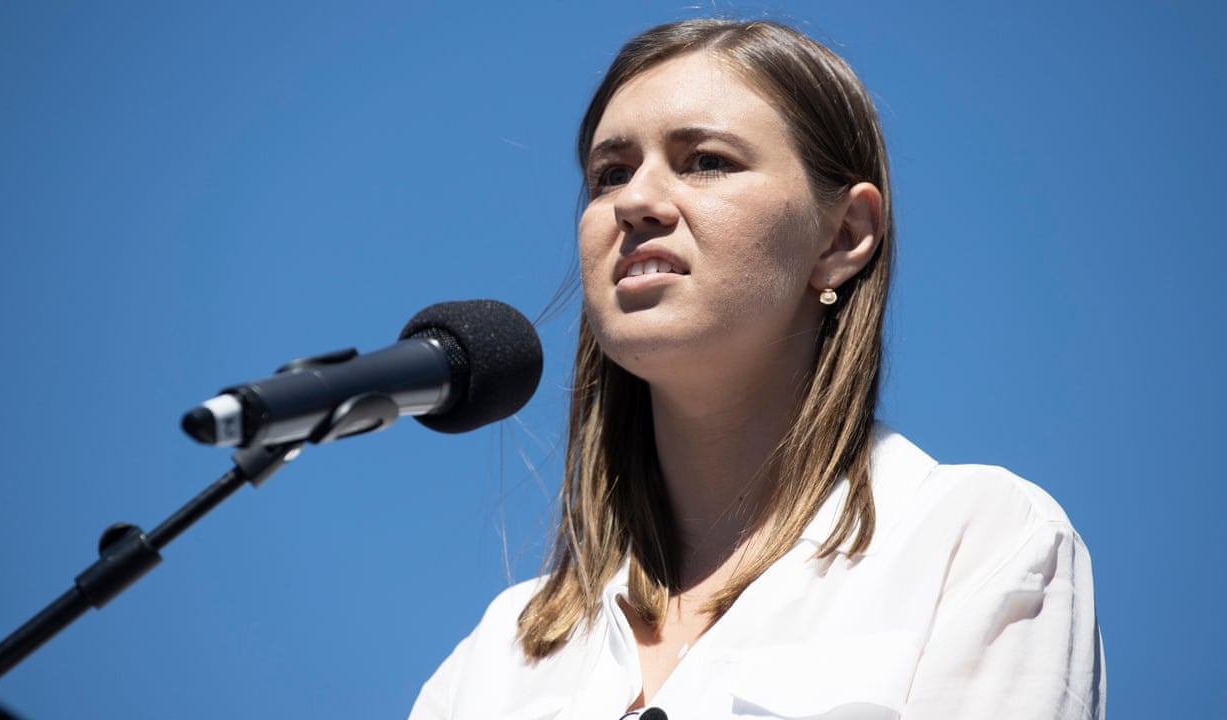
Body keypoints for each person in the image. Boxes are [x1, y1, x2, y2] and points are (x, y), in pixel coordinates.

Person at [410, 18, 1104, 720]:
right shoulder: (497, 660)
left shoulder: (975, 545)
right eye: (611, 174)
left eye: (706, 161)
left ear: (843, 236)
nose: (635, 201)